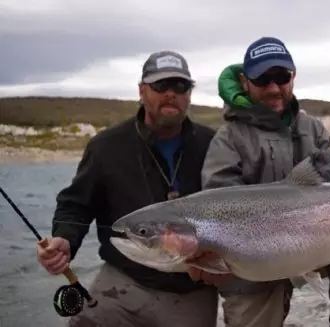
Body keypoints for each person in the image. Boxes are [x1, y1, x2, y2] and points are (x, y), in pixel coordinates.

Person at [190, 37, 330, 327]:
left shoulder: (313, 130)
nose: (274, 88)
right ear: (245, 82)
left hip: (314, 241)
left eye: (281, 78)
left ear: (293, 76)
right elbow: (218, 207)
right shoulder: (228, 140)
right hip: (255, 266)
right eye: (263, 79)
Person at [36, 50, 219, 327]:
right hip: (123, 283)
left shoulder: (215, 145)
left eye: (180, 86)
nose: (171, 93)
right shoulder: (106, 147)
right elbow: (76, 204)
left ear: (190, 94)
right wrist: (65, 239)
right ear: (142, 91)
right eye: (161, 85)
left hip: (191, 290)